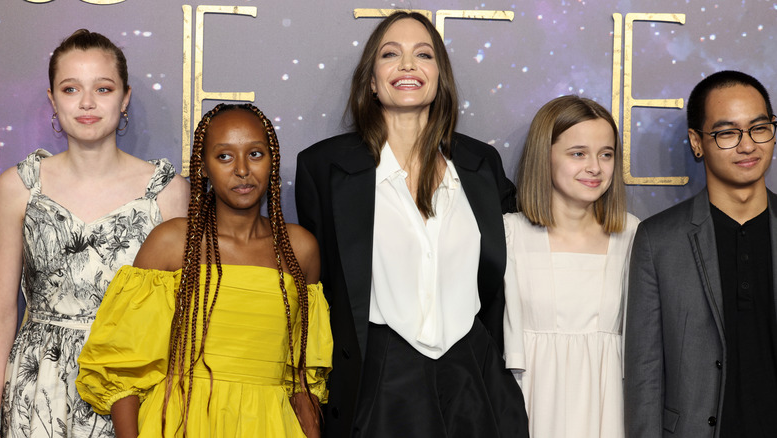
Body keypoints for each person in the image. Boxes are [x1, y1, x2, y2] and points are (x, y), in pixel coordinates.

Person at [295, 11, 528, 438]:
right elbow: (320, 290)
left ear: (440, 77)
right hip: (379, 380)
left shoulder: (480, 166)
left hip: (473, 378)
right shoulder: (323, 168)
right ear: (371, 79)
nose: (407, 65)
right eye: (390, 54)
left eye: (423, 54)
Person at [75, 103, 333, 437]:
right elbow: (123, 367)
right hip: (182, 423)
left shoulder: (300, 249)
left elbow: (303, 376)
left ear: (272, 162)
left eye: (255, 154)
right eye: (224, 156)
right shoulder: (171, 242)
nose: (242, 169)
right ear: (204, 167)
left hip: (270, 426)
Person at [0, 29, 189, 437]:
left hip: (132, 391)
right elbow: (1, 313)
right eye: (70, 89)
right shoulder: (18, 186)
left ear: (125, 98)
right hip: (37, 392)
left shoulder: (168, 193)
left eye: (103, 88)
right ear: (52, 99)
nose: (86, 103)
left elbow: (181, 321)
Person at [624, 70, 777, 437]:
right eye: (727, 133)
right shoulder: (658, 240)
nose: (747, 145)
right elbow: (645, 374)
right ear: (697, 142)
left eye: (759, 128)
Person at [503, 95, 638, 437]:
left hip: (611, 411)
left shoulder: (634, 236)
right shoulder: (508, 235)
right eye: (578, 153)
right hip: (529, 407)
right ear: (543, 156)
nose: (595, 167)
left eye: (606, 154)